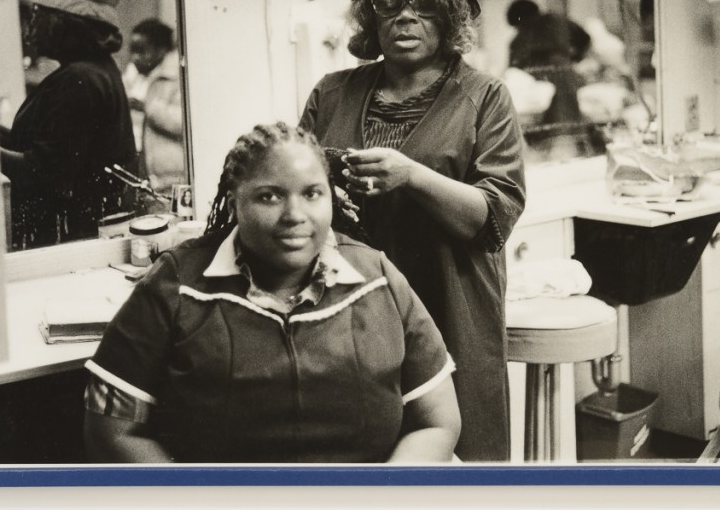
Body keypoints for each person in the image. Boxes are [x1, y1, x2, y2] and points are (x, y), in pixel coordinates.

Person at [84, 122, 460, 463]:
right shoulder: (175, 284)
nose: (295, 214)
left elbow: (438, 422)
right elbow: (112, 430)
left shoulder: (378, 279)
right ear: (233, 203)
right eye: (269, 197)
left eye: (312, 194)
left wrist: (379, 498)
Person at [299, 0, 526, 461]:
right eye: (389, 1)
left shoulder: (485, 97)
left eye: (424, 2)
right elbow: (297, 190)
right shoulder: (332, 93)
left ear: (449, 15)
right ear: (370, 16)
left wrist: (413, 176)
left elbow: (493, 216)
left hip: (448, 308)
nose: (405, 15)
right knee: (360, 461)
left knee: (456, 465)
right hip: (348, 313)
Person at [0, 0, 137, 249]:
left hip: (70, 245)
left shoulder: (80, 80)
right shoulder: (95, 70)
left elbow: (42, 172)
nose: (31, 25)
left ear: (64, 21)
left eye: (39, 14)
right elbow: (39, 146)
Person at [122, 18, 186, 204]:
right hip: (153, 179)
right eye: (133, 51)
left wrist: (147, 107)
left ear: (161, 50)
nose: (135, 58)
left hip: (175, 178)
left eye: (142, 51)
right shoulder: (140, 77)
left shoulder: (176, 78)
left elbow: (183, 123)